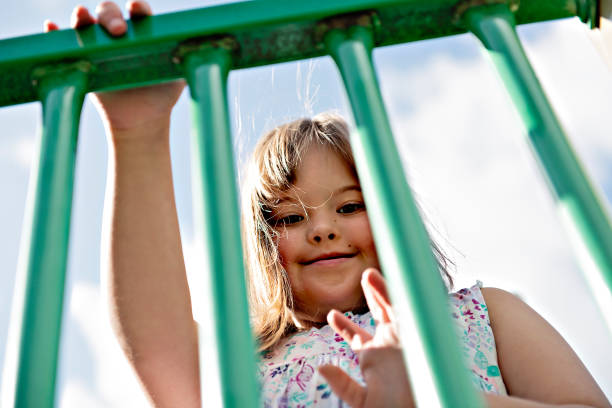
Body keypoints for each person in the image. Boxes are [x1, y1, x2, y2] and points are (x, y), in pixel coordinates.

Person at [45, 2, 611, 407]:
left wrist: (441, 396)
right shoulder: (246, 370)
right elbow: (153, 334)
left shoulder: (482, 314)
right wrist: (138, 131)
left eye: (348, 206)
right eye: (290, 217)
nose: (321, 230)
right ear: (266, 246)